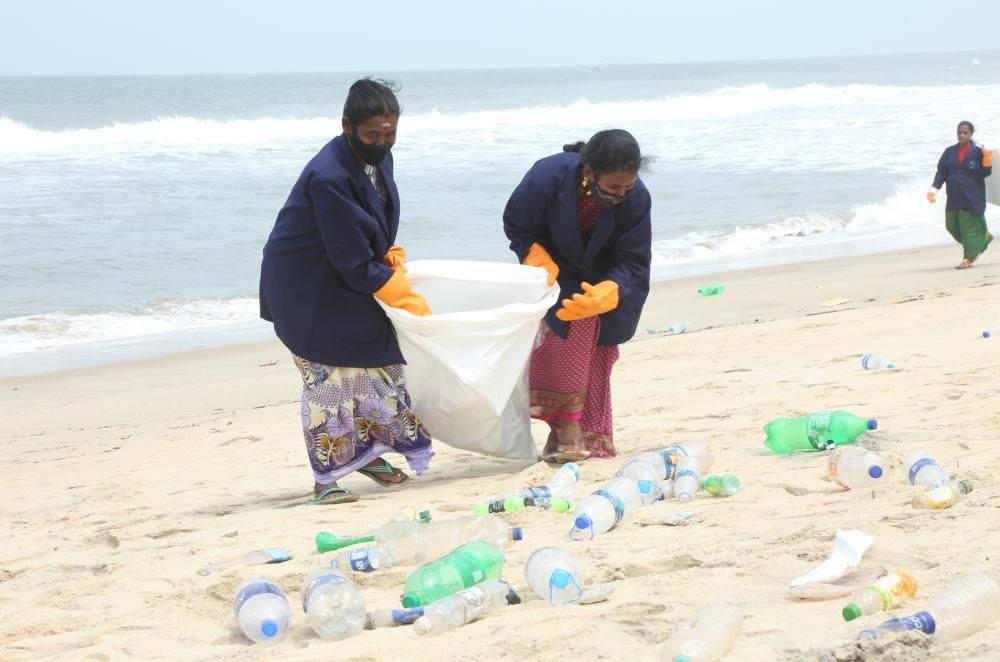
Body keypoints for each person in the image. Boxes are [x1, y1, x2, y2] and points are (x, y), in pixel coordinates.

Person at [259, 79, 434, 504]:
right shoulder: (329, 176)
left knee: (379, 366)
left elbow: (370, 223)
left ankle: (367, 456)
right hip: (305, 286)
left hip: (342, 277)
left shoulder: (378, 159)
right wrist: (396, 288)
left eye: (390, 134)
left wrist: (386, 255)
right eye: (372, 134)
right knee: (328, 381)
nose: (382, 142)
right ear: (346, 126)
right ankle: (326, 481)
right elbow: (351, 258)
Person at [503, 130, 652, 462]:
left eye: (627, 188)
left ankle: (574, 431)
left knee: (596, 348)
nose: (621, 195)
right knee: (561, 346)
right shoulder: (546, 176)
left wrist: (612, 288)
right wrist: (534, 255)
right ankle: (566, 427)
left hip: (603, 275)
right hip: (554, 268)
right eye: (613, 188)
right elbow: (517, 224)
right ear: (589, 173)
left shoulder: (637, 197)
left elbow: (633, 258)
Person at [928, 120, 994, 269]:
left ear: (971, 134)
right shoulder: (949, 152)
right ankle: (982, 239)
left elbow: (985, 172)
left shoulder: (977, 152)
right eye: (959, 132)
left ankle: (968, 259)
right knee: (951, 226)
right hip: (954, 197)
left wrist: (987, 157)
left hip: (972, 197)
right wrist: (933, 189)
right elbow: (941, 172)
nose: (961, 135)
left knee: (968, 229)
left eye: (965, 132)